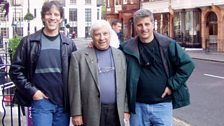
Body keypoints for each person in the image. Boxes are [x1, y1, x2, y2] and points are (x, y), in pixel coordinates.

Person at [119, 9, 195, 126]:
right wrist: (95, 45)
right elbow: (111, 56)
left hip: (162, 106)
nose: (144, 28)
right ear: (135, 26)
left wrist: (172, 85)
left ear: (153, 24)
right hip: (137, 106)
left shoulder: (167, 44)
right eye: (140, 25)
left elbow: (188, 64)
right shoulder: (126, 47)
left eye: (147, 24)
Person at [9, 1, 77, 126]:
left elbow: (77, 71)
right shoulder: (28, 42)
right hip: (41, 102)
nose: (52, 17)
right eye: (48, 14)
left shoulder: (69, 44)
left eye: (56, 14)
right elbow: (15, 70)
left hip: (63, 103)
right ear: (43, 17)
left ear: (61, 18)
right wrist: (33, 92)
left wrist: (92, 47)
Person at [68, 20, 129, 126]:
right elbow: (74, 88)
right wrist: (76, 113)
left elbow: (125, 84)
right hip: (90, 111)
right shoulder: (78, 57)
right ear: (92, 36)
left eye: (105, 34)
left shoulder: (120, 55)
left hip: (116, 111)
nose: (102, 38)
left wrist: (125, 109)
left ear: (110, 35)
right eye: (97, 34)